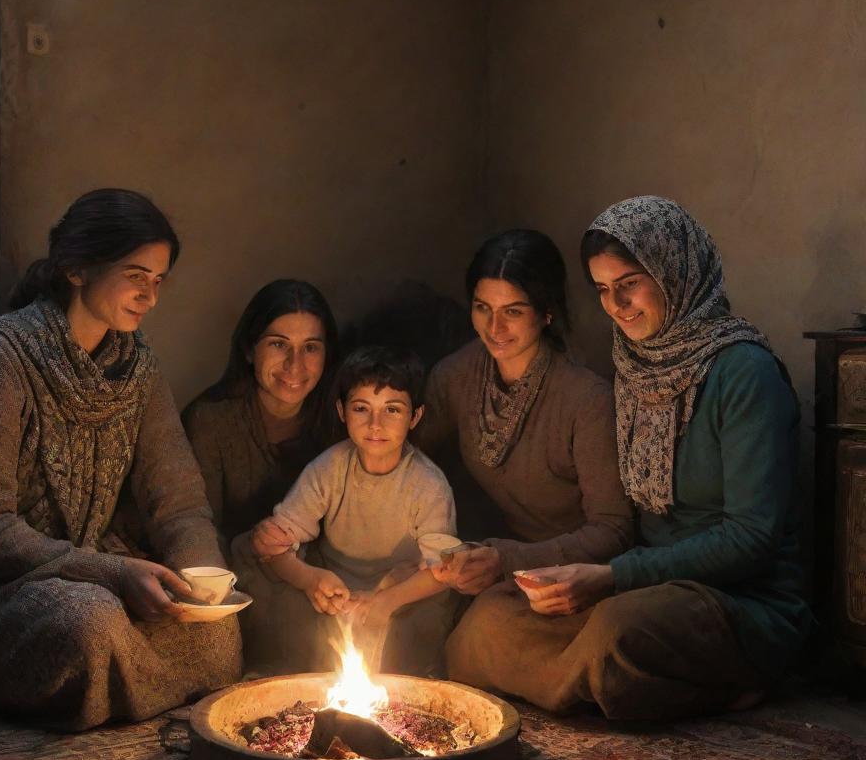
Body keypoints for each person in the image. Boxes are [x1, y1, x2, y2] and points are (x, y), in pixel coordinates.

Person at [447, 196, 812, 719]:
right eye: (601, 289)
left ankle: (714, 678)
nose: (617, 305)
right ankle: (608, 685)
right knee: (486, 623)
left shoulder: (744, 373)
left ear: (674, 273)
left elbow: (750, 540)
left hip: (739, 602)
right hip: (646, 587)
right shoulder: (636, 364)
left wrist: (612, 576)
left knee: (618, 634)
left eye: (629, 283)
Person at [0, 189, 241, 731]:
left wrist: (203, 588)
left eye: (158, 280)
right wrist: (110, 572)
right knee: (90, 626)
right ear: (77, 268)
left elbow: (178, 502)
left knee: (219, 638)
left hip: (91, 575)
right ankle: (110, 680)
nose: (149, 296)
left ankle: (106, 689)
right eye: (136, 275)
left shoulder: (138, 367)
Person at [417, 229, 633, 598]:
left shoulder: (586, 400)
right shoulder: (455, 376)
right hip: (493, 561)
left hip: (572, 575)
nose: (494, 328)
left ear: (546, 312)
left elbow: (613, 529)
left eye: (512, 312)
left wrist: (506, 558)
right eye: (482, 308)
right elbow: (404, 459)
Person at [233, 346, 460, 676]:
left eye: (392, 410)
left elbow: (443, 569)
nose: (375, 424)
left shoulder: (427, 483)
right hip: (333, 591)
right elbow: (278, 542)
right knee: (247, 547)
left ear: (415, 416)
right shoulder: (330, 467)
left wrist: (384, 602)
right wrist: (310, 580)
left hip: (399, 594)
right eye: (361, 408)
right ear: (342, 412)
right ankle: (286, 672)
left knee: (428, 617)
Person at [182, 279, 338, 559]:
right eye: (279, 344)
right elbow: (197, 527)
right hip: (228, 574)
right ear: (249, 349)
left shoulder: (344, 420)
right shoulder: (211, 421)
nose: (295, 364)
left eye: (311, 347)